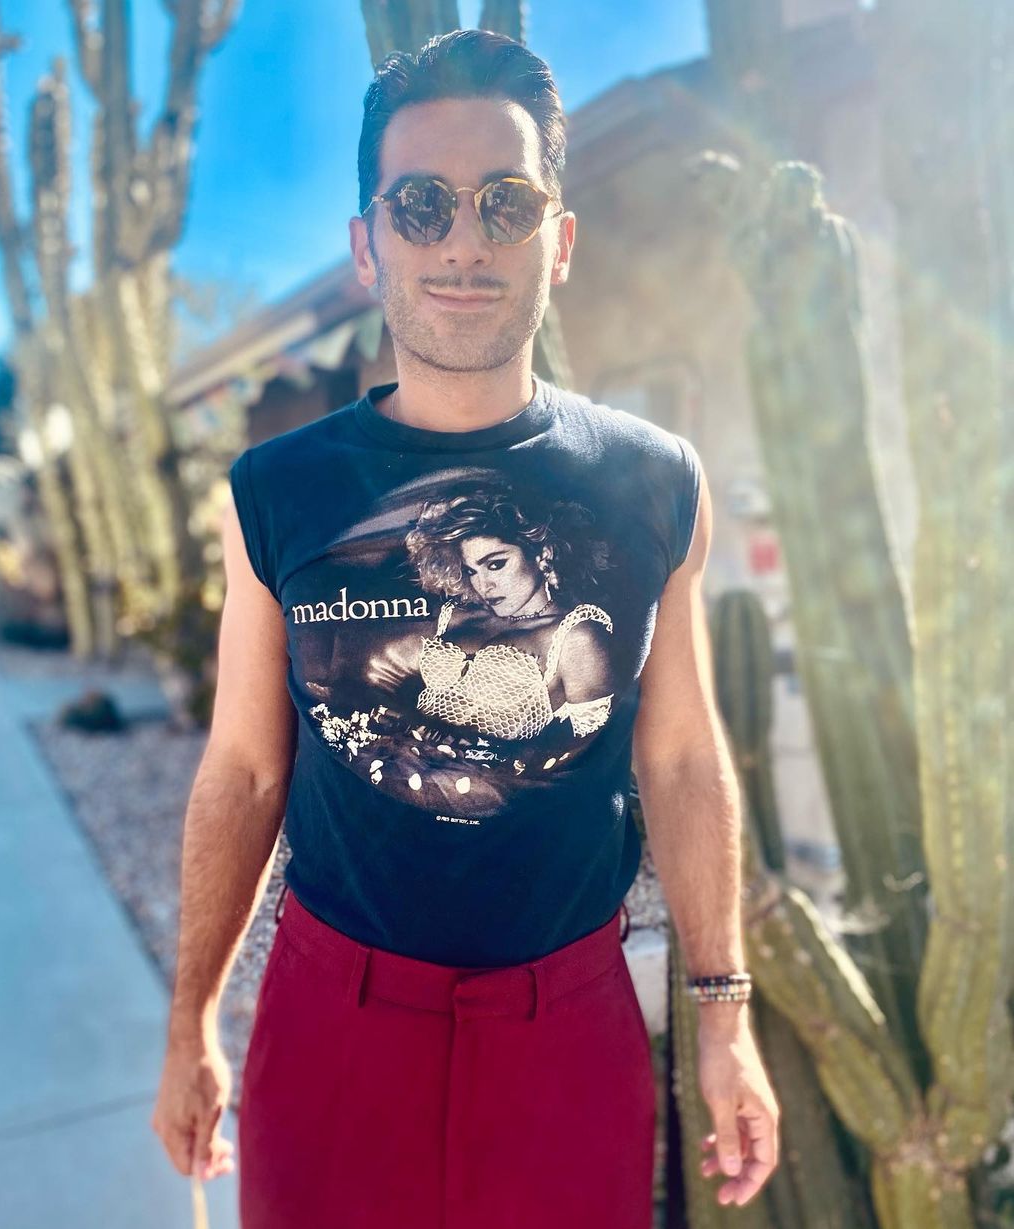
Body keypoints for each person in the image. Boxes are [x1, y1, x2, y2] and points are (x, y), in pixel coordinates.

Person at [151, 26, 780, 1228]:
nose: (464, 241)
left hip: (569, 1030)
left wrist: (723, 1018)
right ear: (367, 244)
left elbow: (682, 757)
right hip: (334, 1022)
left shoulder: (654, 480)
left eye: (506, 202)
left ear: (560, 240)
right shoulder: (277, 491)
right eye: (422, 204)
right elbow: (244, 769)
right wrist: (190, 1024)